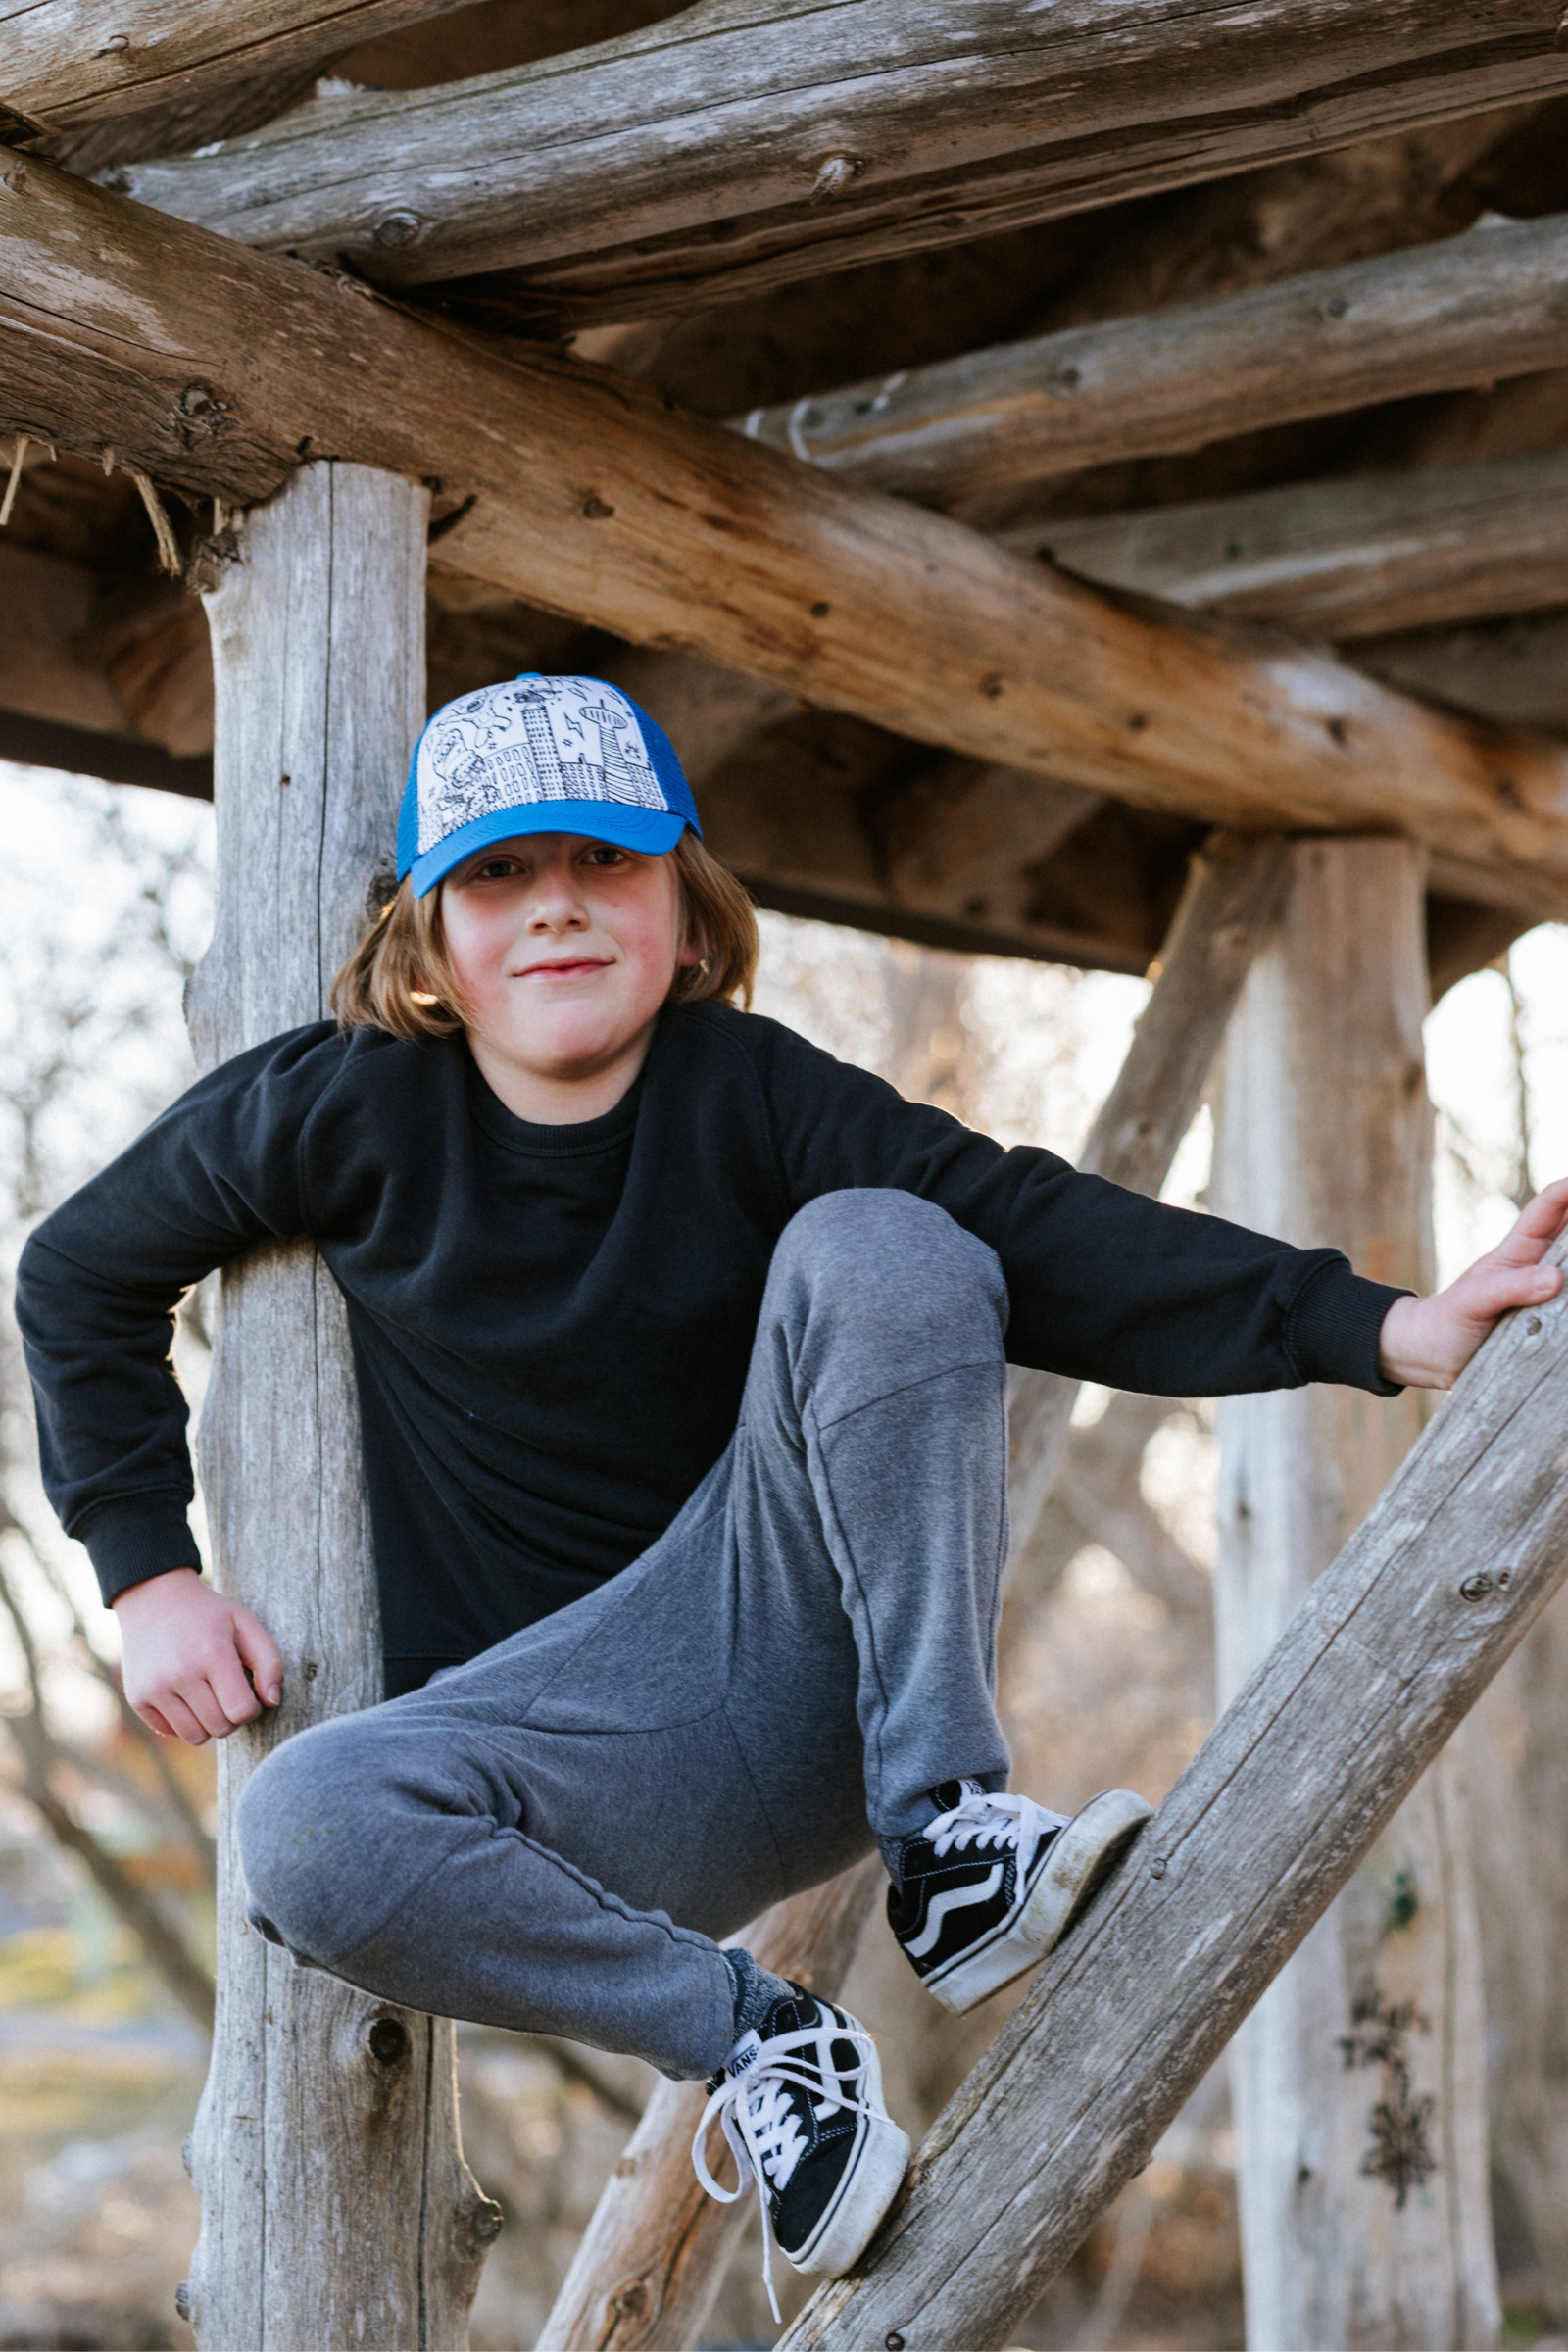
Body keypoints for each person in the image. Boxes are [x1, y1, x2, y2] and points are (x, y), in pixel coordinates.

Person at [18, 673, 1568, 2310]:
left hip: (793, 1679)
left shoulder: (747, 1092)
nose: (555, 911)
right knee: (304, 1828)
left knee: (892, 1239)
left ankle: (953, 1844)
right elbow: (76, 1277)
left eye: (603, 866)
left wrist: (1386, 1324)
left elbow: (1030, 1226)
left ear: (686, 911)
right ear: (428, 943)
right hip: (558, 1782)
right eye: (497, 876)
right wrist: (145, 1574)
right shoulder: (343, 1107)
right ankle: (764, 2048)